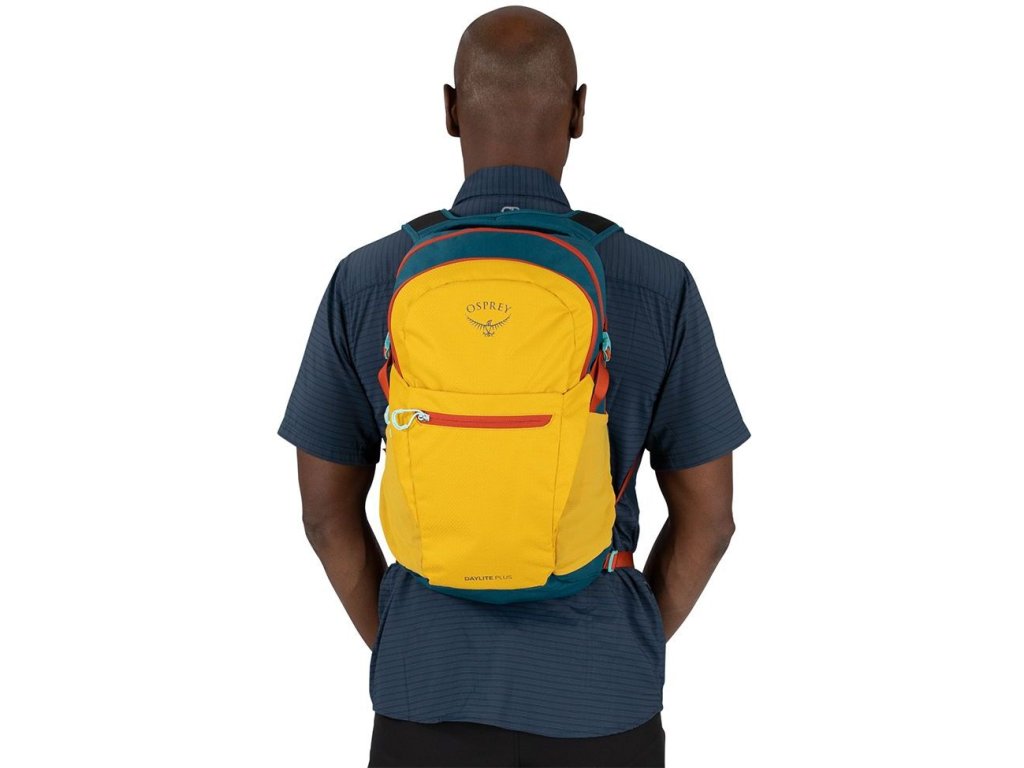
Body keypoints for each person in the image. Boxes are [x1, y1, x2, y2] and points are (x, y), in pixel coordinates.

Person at [277, 6, 751, 766]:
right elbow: (711, 519)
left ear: (449, 111)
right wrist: (629, 639)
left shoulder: (367, 280)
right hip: (602, 696)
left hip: (425, 688)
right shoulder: (657, 284)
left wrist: (404, 639)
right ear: (580, 112)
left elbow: (325, 516)